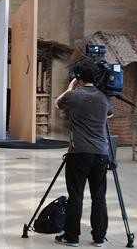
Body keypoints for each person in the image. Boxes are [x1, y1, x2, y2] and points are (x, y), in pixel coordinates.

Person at [54, 60, 113, 247]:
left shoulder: (74, 95)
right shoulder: (104, 98)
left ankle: (72, 237)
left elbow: (57, 104)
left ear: (78, 79)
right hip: (101, 154)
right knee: (99, 196)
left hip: (78, 153)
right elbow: (109, 114)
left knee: (76, 195)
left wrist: (70, 88)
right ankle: (99, 237)